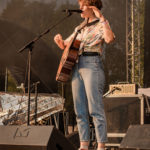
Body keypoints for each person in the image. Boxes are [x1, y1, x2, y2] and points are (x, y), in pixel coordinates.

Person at [54, 0, 115, 150]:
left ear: (92, 7)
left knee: (95, 108)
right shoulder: (79, 28)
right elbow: (66, 46)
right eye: (79, 4)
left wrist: (101, 17)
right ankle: (84, 144)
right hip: (76, 66)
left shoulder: (101, 24)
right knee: (79, 109)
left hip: (92, 64)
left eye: (83, 5)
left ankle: (101, 145)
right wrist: (60, 42)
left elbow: (109, 39)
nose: (80, 8)